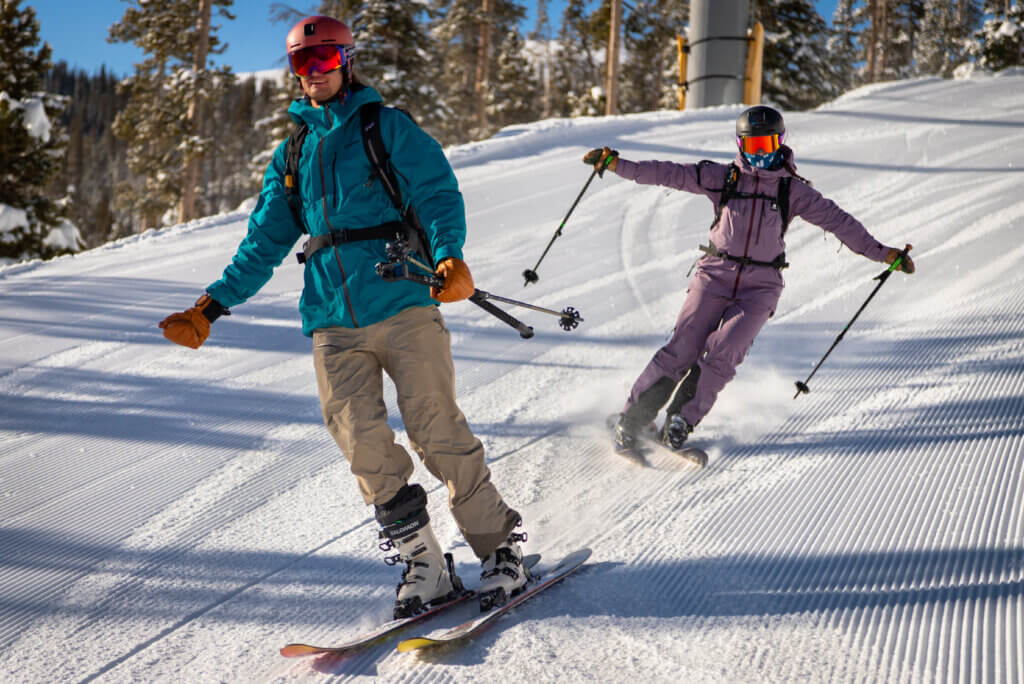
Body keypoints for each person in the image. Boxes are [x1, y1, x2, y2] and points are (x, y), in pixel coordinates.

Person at [158, 15, 529, 617]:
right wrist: (211, 306)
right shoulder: (292, 153)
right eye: (304, 64)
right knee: (362, 444)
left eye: (326, 60)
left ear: (347, 62)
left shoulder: (387, 126)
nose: (316, 73)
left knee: (436, 430)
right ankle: (424, 563)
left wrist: (448, 255)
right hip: (332, 318)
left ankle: (498, 547)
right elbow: (263, 242)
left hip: (405, 301)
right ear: (294, 74)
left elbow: (437, 194)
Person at [584, 105, 915, 456]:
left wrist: (885, 253)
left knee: (725, 351)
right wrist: (619, 165)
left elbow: (841, 223)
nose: (762, 154)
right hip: (714, 275)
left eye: (769, 145)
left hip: (761, 287)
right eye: (754, 146)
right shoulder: (723, 178)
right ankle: (633, 418)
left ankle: (681, 419)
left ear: (781, 143)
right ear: (741, 145)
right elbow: (669, 173)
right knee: (683, 347)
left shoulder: (793, 191)